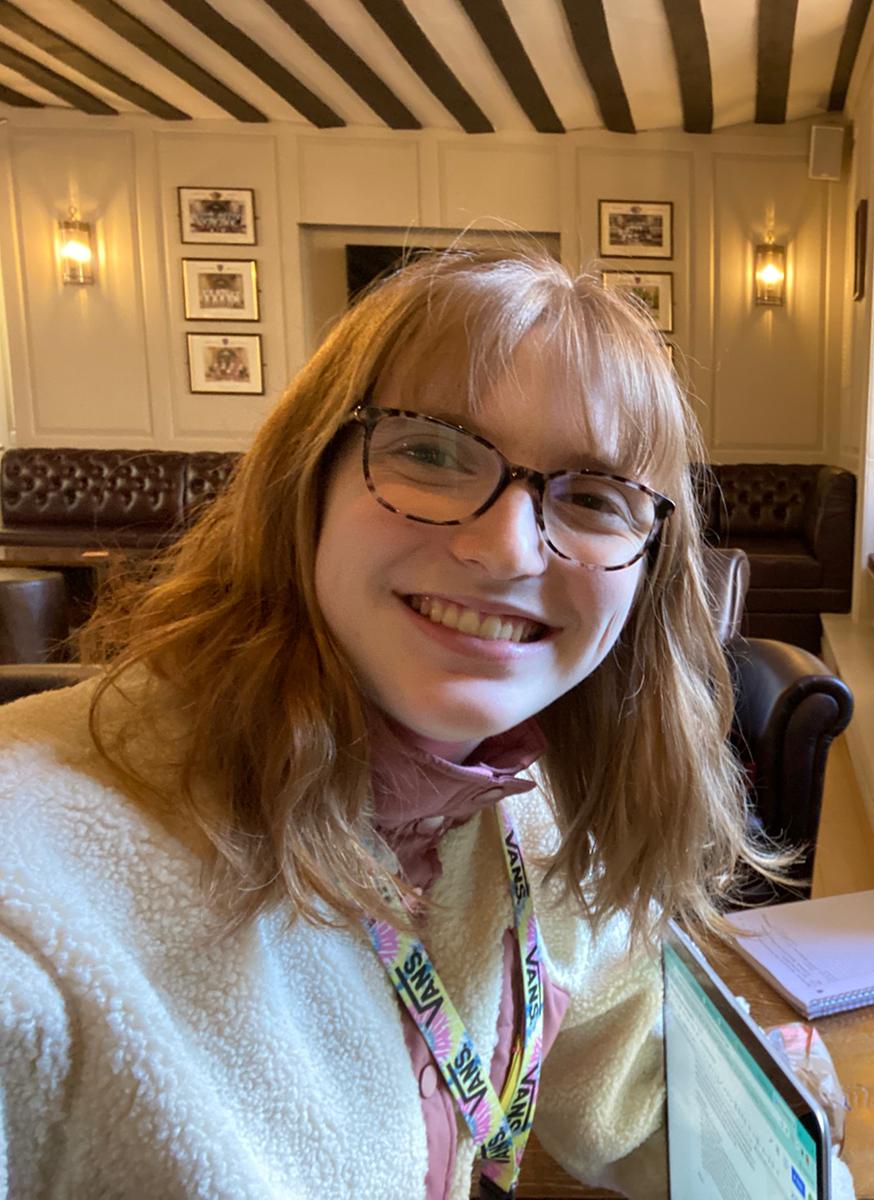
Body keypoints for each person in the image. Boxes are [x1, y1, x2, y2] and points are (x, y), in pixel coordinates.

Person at [0, 250, 782, 1197]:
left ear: (647, 572)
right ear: (308, 476)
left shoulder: (529, 809)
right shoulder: (38, 890)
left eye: (590, 496)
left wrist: (764, 1107)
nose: (504, 549)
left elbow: (632, 1102)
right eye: (431, 451)